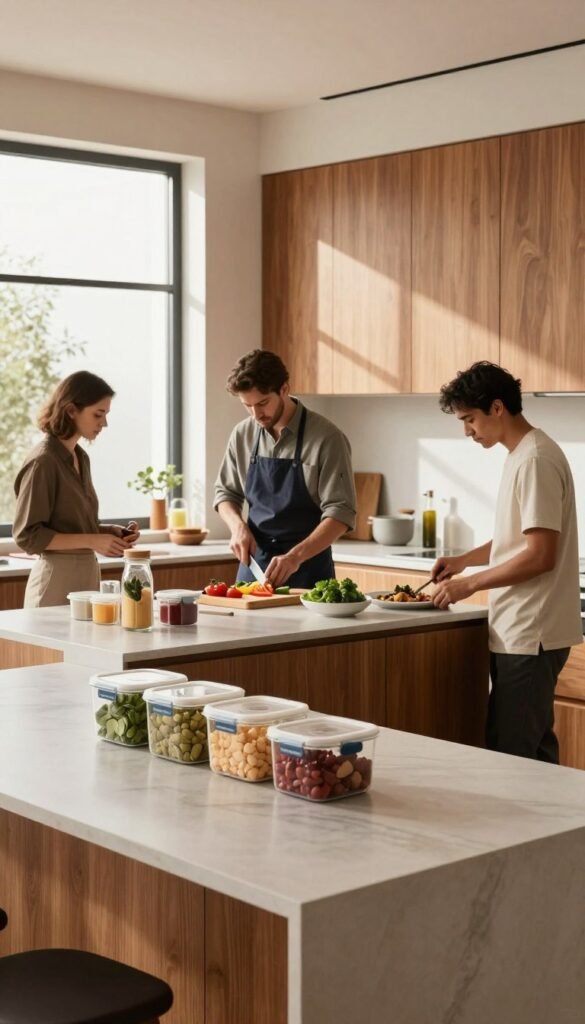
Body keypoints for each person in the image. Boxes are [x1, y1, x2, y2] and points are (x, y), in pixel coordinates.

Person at [431, 361, 582, 763]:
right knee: (535, 751)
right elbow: (523, 537)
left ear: (497, 408)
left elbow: (540, 555)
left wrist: (471, 584)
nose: (467, 431)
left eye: (470, 419)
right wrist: (465, 560)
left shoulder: (535, 459)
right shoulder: (522, 454)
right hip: (524, 630)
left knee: (510, 756)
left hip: (532, 632)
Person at [214, 349, 356, 589]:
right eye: (247, 405)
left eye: (262, 403)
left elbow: (341, 513)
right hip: (254, 568)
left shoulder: (327, 438)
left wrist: (295, 557)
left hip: (307, 569)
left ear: (284, 389)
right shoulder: (243, 433)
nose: (256, 414)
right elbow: (225, 493)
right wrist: (238, 527)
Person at [13, 371, 140, 607]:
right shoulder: (43, 462)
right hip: (55, 582)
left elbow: (68, 525)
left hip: (86, 577)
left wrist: (106, 533)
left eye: (106, 414)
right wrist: (94, 540)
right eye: (98, 414)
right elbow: (28, 536)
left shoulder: (81, 458)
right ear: (71, 410)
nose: (104, 423)